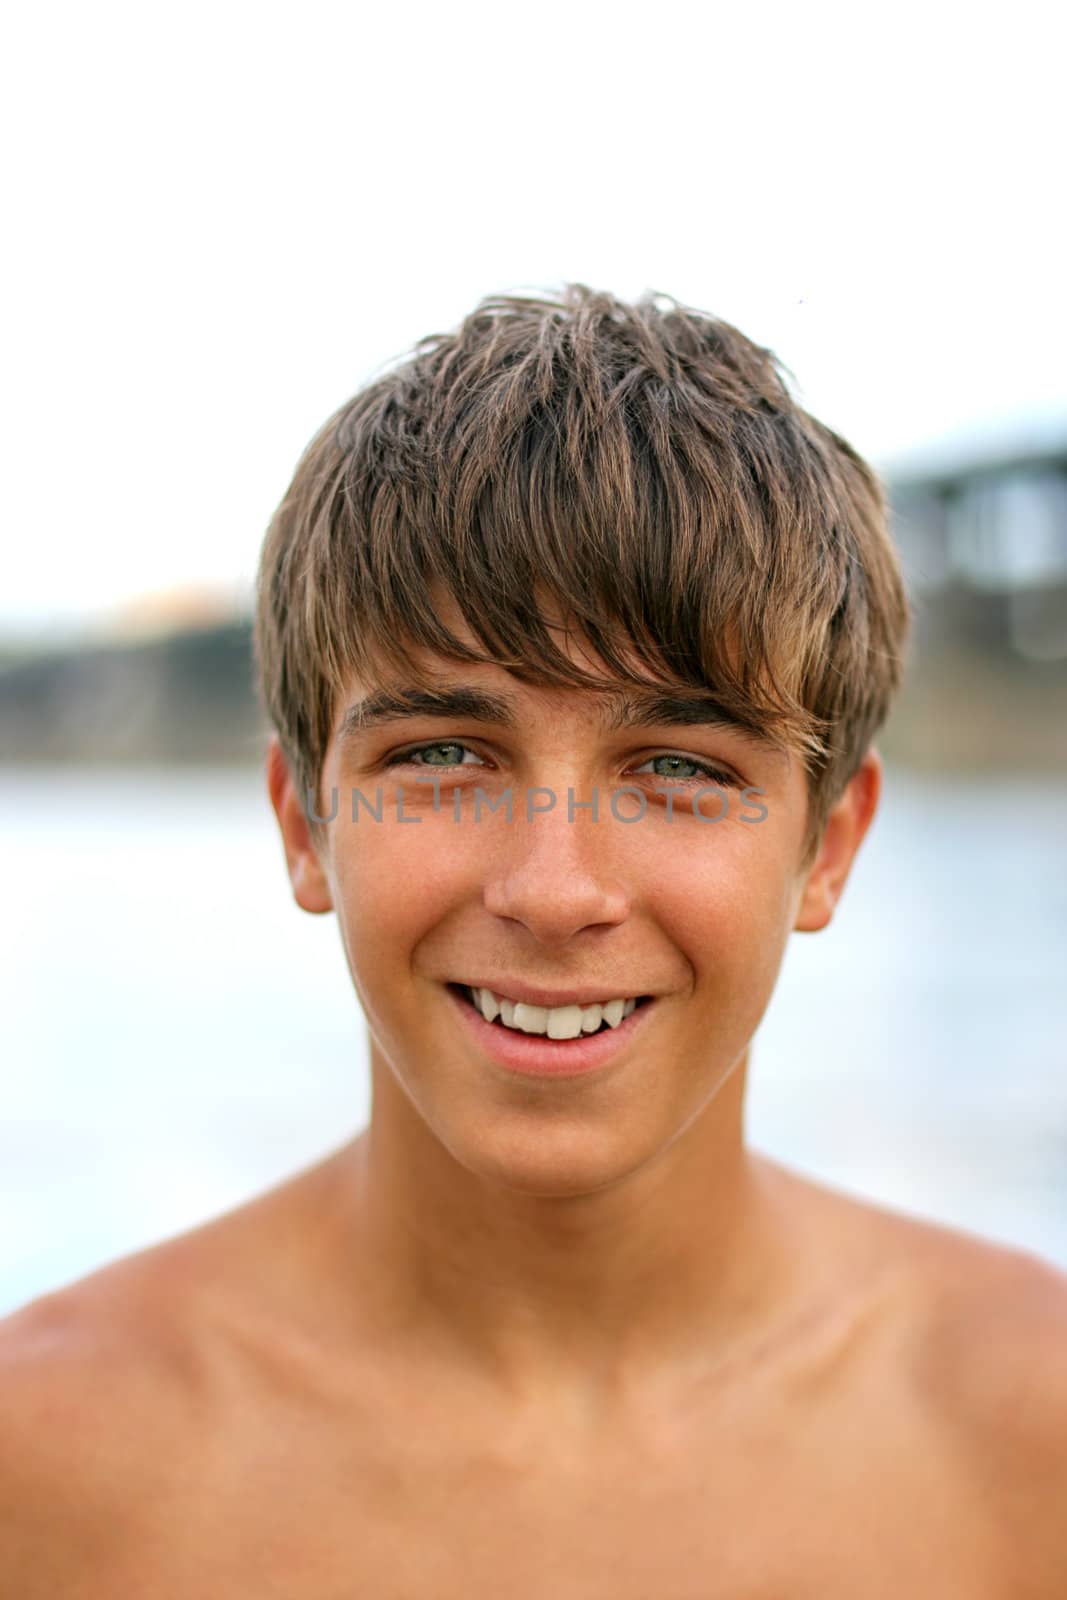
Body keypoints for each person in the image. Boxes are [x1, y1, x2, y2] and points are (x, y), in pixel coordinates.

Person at [2, 285, 1065, 1596]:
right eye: (444, 753)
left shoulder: (1028, 1428)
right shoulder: (46, 1465)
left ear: (828, 844)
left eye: (677, 765)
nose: (555, 890)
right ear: (304, 822)